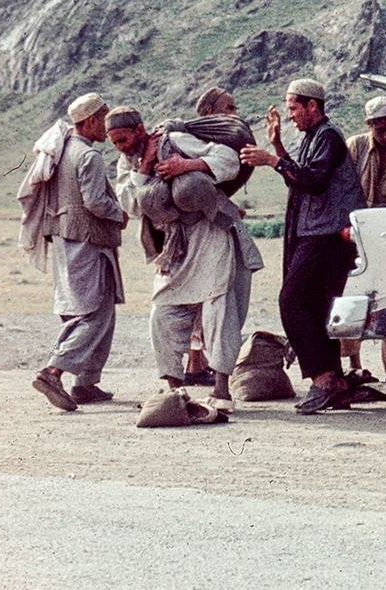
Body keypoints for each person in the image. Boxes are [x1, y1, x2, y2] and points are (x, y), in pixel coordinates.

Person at [109, 106, 263, 415]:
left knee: (218, 309)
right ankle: (174, 389)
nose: (121, 148)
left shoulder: (176, 140)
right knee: (163, 313)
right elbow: (130, 203)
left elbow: (228, 160)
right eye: (115, 143)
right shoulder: (127, 164)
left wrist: (185, 165)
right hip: (175, 244)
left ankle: (221, 390)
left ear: (140, 130)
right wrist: (147, 165)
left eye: (124, 139)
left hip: (211, 235)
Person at [240, 78, 366, 414]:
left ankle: (323, 380)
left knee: (292, 300)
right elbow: (300, 175)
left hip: (326, 236)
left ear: (313, 106)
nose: (291, 115)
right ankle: (335, 383)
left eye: (294, 107)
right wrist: (278, 147)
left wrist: (271, 159)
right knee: (314, 306)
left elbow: (313, 181)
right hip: (315, 234)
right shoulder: (315, 137)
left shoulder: (328, 137)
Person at [20, 93, 128, 411]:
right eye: (104, 119)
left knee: (86, 308)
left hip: (67, 242)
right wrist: (119, 213)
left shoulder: (64, 150)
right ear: (91, 121)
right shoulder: (88, 157)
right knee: (94, 313)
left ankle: (86, 384)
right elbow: (95, 202)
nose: (107, 128)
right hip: (87, 242)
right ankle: (54, 371)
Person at [344, 94, 386, 397]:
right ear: (369, 125)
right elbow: (342, 187)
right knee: (354, 301)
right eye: (378, 129)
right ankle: (354, 366)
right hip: (358, 232)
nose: (384, 135)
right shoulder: (355, 146)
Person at [181, 83, 242, 384]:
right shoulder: (189, 141)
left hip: (216, 226)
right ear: (208, 113)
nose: (235, 114)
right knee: (205, 299)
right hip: (194, 232)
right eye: (228, 109)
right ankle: (199, 366)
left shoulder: (221, 146)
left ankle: (197, 364)